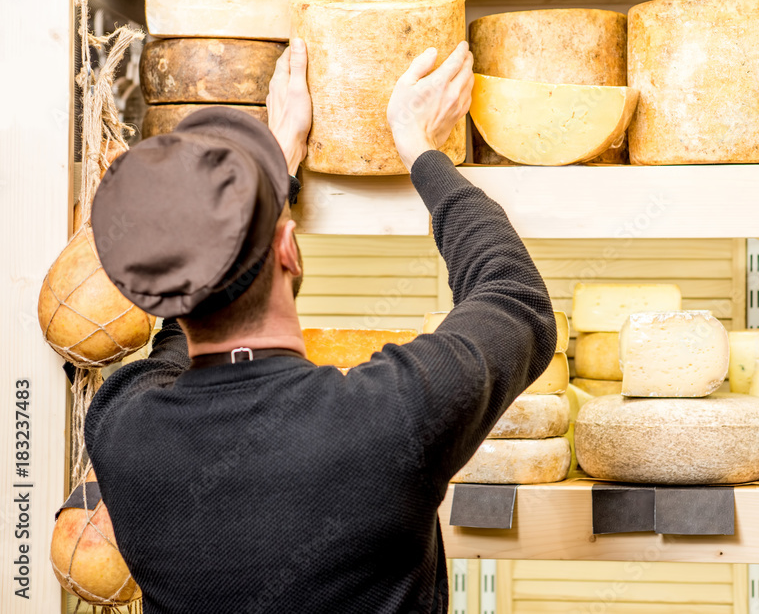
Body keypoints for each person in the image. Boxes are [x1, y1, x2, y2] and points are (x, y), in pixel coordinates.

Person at [85, 38, 556, 613]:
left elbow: (176, 340)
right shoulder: (388, 418)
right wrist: (420, 148)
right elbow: (515, 298)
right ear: (289, 250)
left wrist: (268, 184)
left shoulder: (121, 429)